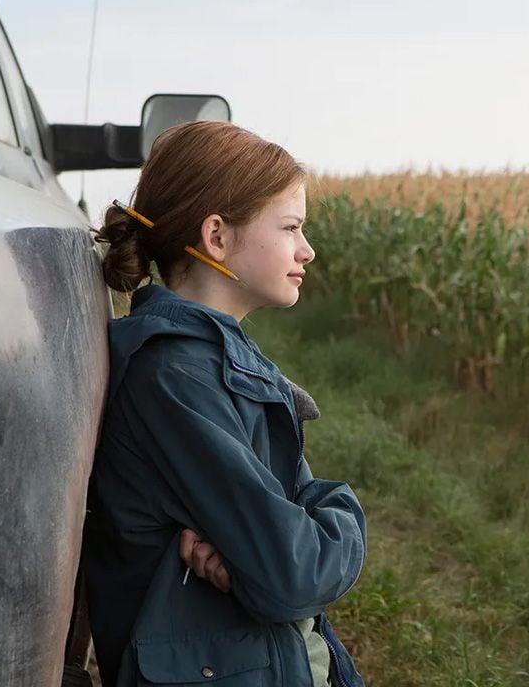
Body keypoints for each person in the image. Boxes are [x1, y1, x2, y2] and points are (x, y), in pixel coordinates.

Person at [85, 120, 367, 686]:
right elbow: (298, 572)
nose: (307, 250)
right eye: (291, 227)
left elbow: (286, 554)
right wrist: (339, 508)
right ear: (216, 236)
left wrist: (270, 549)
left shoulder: (209, 362)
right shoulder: (177, 379)